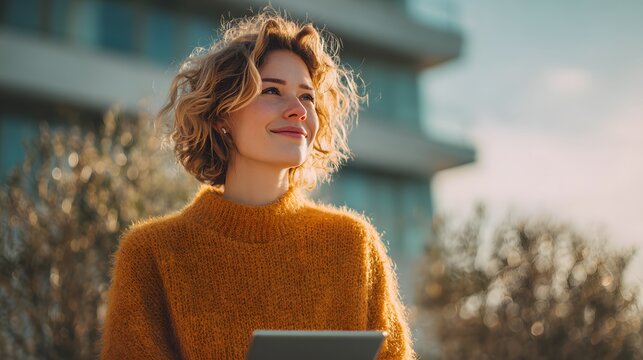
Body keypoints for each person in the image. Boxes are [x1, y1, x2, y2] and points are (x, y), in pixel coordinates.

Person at [99, 8, 416, 360]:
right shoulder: (152, 254)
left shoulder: (355, 247)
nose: (297, 110)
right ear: (222, 114)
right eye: (271, 91)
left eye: (307, 96)